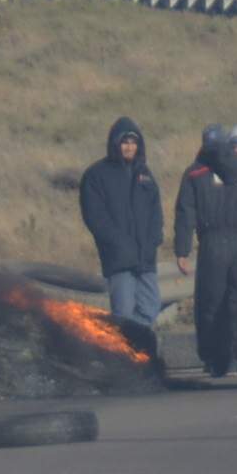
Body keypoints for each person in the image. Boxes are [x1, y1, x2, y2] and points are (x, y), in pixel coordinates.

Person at [172, 123, 237, 380]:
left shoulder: (195, 172)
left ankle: (217, 358)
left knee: (212, 302)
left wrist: (182, 250)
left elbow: (186, 214)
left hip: (215, 243)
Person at [75, 116, 164, 338]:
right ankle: (125, 360)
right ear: (115, 143)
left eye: (133, 142)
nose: (129, 147)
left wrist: (154, 240)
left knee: (150, 308)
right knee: (123, 315)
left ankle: (139, 353)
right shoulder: (97, 175)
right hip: (119, 259)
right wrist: (118, 244)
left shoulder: (145, 174)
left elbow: (156, 212)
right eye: (125, 142)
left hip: (145, 257)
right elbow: (95, 218)